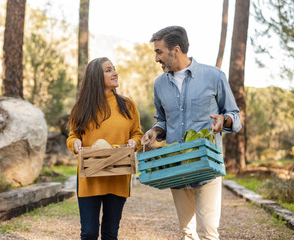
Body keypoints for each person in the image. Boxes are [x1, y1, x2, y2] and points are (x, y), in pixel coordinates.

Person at [141, 26, 242, 240]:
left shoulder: (213, 76)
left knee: (208, 232)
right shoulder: (159, 84)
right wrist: (155, 131)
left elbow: (235, 115)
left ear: (175, 50)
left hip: (208, 164)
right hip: (177, 165)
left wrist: (224, 119)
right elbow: (163, 121)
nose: (156, 58)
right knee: (187, 232)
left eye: (159, 52)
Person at [66, 57, 143, 240]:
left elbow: (137, 134)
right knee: (89, 233)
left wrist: (134, 143)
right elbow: (73, 135)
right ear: (95, 77)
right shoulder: (81, 108)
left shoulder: (128, 105)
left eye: (114, 69)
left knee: (110, 233)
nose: (114, 73)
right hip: (89, 177)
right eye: (108, 70)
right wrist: (75, 144)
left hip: (118, 175)